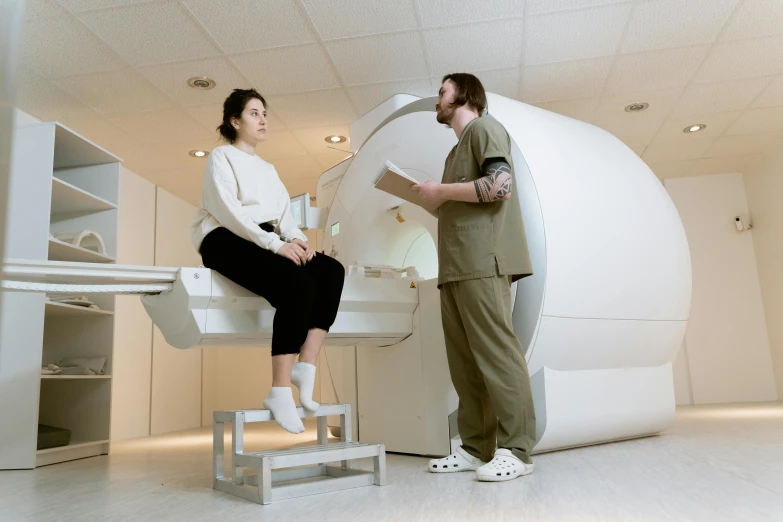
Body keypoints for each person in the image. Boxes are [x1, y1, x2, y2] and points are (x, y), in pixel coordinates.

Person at [192, 88, 345, 434]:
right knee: (296, 280)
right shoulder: (221, 157)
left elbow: (283, 215)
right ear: (235, 121)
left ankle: (306, 365)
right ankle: (279, 391)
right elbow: (228, 212)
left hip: (264, 238)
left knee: (330, 270)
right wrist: (275, 245)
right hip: (223, 237)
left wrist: (299, 241)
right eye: (254, 113)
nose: (263, 120)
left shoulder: (268, 168)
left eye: (265, 114)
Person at [411, 73, 537, 482]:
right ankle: (475, 448)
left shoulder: (485, 128)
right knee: (465, 365)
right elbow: (465, 200)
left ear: (464, 94)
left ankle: (517, 450)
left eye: (442, 92)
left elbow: (500, 186)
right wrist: (436, 197)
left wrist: (442, 192)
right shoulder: (454, 153)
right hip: (456, 266)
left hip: (484, 260)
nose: (437, 100)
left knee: (497, 355)